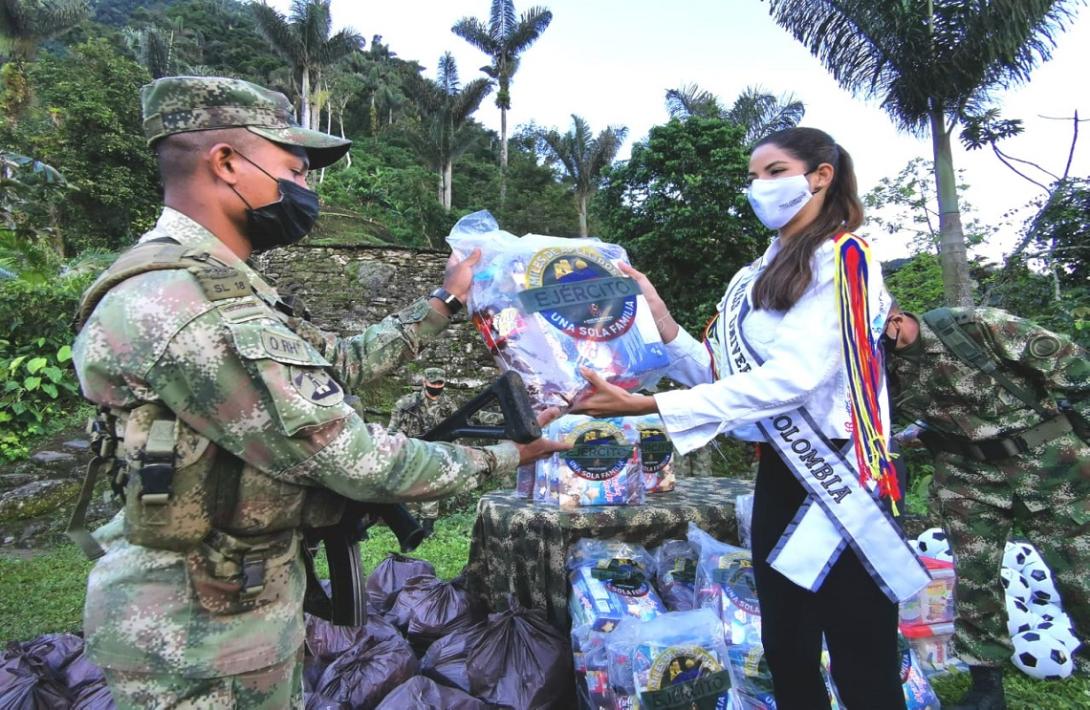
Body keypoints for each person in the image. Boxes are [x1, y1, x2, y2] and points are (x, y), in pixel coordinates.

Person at [69, 75, 564, 709]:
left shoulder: (222, 285)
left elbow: (333, 367)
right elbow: (356, 461)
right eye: (294, 171)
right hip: (196, 637)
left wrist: (445, 303)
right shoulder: (187, 305)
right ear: (226, 163)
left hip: (231, 608)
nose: (305, 190)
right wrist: (508, 454)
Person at [573, 126, 927, 709]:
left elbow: (794, 379)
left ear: (820, 176)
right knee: (785, 643)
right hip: (782, 478)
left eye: (774, 172)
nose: (759, 186)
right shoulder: (751, 277)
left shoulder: (845, 259)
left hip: (844, 474)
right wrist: (660, 318)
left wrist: (653, 406)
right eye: (753, 175)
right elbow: (721, 378)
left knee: (860, 649)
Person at [884, 304, 1090, 708]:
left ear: (893, 320)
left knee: (1081, 569)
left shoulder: (975, 327)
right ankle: (985, 683)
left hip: (1050, 463)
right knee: (976, 579)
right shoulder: (877, 368)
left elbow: (1078, 371)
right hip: (967, 474)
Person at [387, 367, 456, 535]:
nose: (437, 386)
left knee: (432, 490)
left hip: (436, 451)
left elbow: (457, 425)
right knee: (410, 490)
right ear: (425, 382)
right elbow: (392, 430)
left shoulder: (447, 404)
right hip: (411, 451)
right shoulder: (406, 403)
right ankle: (410, 529)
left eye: (441, 383)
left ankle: (428, 530)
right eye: (434, 383)